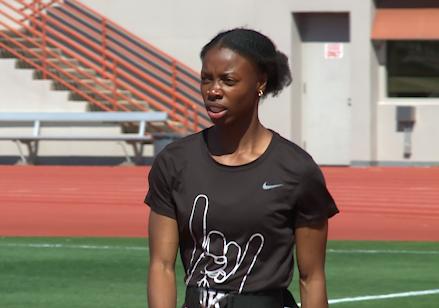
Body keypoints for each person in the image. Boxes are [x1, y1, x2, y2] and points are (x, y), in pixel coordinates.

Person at [145, 28, 339, 308]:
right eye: (206, 79)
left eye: (228, 80)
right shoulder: (174, 162)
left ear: (260, 83)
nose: (213, 91)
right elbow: (161, 266)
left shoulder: (297, 170)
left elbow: (312, 279)